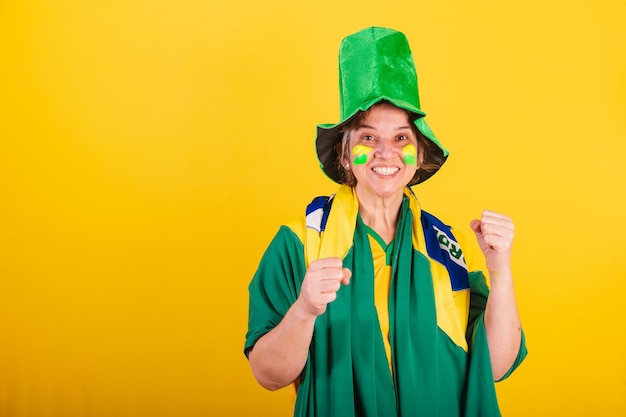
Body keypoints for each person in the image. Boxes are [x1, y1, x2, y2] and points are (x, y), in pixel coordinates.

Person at [244, 26, 527, 417]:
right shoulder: (300, 243)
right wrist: (305, 309)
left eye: (400, 138)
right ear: (345, 155)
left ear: (418, 151)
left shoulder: (449, 249)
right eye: (368, 138)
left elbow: (494, 367)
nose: (385, 154)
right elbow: (267, 374)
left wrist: (501, 271)